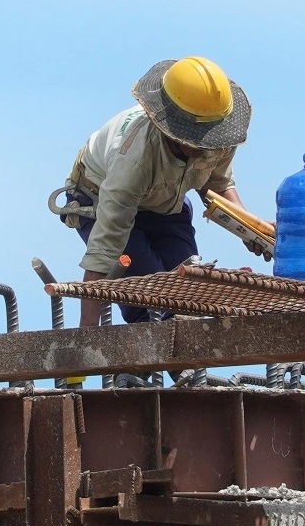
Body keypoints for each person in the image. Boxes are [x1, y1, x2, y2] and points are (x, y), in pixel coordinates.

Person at [57, 56, 258, 327]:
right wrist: (85, 335)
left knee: (188, 293)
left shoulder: (220, 134)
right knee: (147, 296)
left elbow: (218, 184)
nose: (207, 147)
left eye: (213, 136)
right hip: (99, 199)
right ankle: (136, 367)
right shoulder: (134, 160)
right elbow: (104, 250)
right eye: (198, 141)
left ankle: (186, 369)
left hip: (163, 202)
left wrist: (249, 229)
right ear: (172, 132)